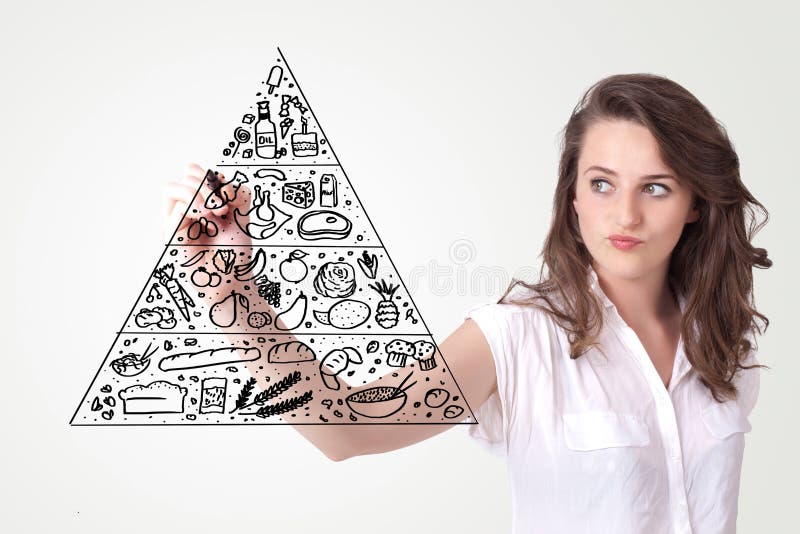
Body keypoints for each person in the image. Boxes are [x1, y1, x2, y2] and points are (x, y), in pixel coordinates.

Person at [162, 73, 771, 533]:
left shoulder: (723, 351)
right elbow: (345, 429)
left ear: (695, 202)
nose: (626, 214)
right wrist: (228, 287)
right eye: (602, 183)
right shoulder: (516, 338)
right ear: (574, 196)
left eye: (656, 187)